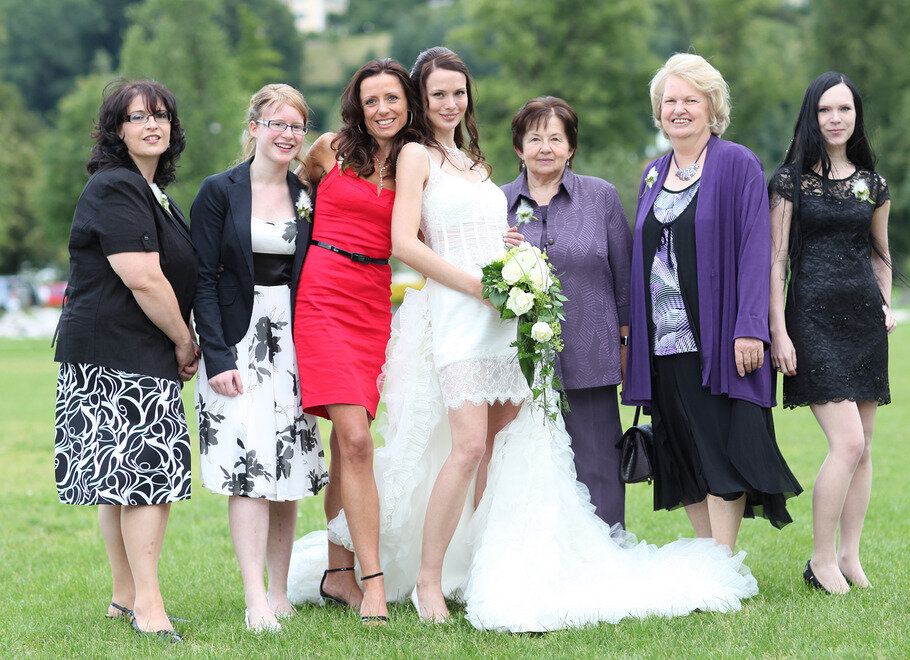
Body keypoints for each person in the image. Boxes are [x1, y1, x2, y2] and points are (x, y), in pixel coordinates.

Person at [290, 46, 758, 633]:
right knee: (467, 447)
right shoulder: (414, 154)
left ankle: (476, 564)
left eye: (458, 92)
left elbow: (467, 229)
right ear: (421, 100)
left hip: (499, 319)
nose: (449, 103)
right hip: (460, 313)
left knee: (496, 446)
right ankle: (428, 578)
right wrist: (476, 284)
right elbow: (404, 242)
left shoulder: (471, 160)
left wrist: (507, 252)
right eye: (437, 94)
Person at [623, 53, 802, 552]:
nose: (678, 109)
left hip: (718, 336)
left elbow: (755, 249)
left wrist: (751, 327)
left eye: (691, 100)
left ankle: (723, 559)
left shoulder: (738, 164)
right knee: (682, 447)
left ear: (712, 107)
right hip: (664, 341)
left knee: (721, 447)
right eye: (670, 101)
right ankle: (708, 558)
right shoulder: (653, 173)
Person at [53, 79, 197, 643]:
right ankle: (149, 608)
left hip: (125, 349)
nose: (151, 125)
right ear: (118, 129)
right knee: (146, 479)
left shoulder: (151, 190)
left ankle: (125, 596)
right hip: (118, 350)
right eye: (138, 117)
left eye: (161, 115)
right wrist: (184, 340)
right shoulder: (116, 185)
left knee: (123, 480)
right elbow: (143, 277)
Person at [289, 59, 422, 625]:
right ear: (357, 107)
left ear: (408, 104)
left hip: (373, 302)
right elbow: (283, 199)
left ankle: (337, 572)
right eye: (372, 100)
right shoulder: (329, 150)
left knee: (349, 447)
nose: (383, 109)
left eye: (392, 98)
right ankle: (373, 582)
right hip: (322, 294)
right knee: (356, 439)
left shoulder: (418, 164)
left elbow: (433, 233)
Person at [189, 84, 325, 632]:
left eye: (296, 126)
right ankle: (254, 600)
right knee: (248, 465)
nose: (287, 135)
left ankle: (280, 591)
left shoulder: (306, 192)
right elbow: (201, 279)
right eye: (276, 124)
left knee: (286, 464)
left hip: (294, 340)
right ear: (254, 128)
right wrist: (217, 356)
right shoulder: (219, 191)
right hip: (236, 341)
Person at [768, 72, 894, 595]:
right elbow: (776, 262)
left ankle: (849, 555)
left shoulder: (873, 185)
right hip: (811, 321)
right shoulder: (789, 181)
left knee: (865, 445)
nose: (835, 119)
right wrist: (778, 331)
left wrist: (886, 305)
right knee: (847, 442)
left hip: (864, 323)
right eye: (825, 110)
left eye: (844, 109)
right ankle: (820, 560)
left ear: (856, 116)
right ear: (811, 116)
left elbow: (880, 255)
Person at [501, 96, 632, 529]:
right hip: (516, 361)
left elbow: (625, 279)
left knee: (598, 462)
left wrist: (627, 346)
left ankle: (606, 547)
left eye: (556, 138)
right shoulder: (496, 203)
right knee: (523, 466)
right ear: (519, 147)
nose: (545, 148)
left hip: (591, 353)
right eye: (534, 139)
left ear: (571, 147)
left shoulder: (601, 197)